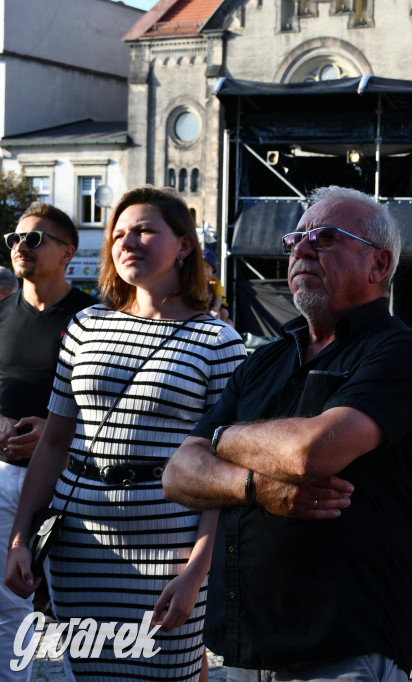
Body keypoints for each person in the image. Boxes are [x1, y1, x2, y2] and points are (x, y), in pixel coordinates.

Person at [162, 186, 412, 681]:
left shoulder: (399, 353)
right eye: (296, 239)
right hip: (249, 646)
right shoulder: (266, 359)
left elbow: (311, 451)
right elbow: (179, 474)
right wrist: (253, 488)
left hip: (344, 644)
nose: (302, 249)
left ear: (378, 265)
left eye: (325, 237)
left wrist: (221, 436)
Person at [4, 187, 246, 680]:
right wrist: (19, 540)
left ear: (183, 245)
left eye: (144, 230)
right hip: (80, 545)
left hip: (169, 547)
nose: (126, 241)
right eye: (118, 233)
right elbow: (55, 443)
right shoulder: (86, 325)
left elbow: (223, 472)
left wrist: (196, 573)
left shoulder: (219, 342)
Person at [0, 203, 95, 681]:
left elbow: (119, 412)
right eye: (15, 239)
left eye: (34, 239)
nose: (21, 247)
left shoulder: (94, 320)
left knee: (80, 611)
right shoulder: (1, 314)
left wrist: (58, 433)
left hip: (74, 479)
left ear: (67, 253)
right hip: (6, 480)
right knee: (6, 609)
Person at [202, 248, 225, 315]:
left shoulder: (215, 283)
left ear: (213, 268)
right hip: (200, 309)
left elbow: (219, 297)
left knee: (224, 313)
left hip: (214, 308)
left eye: (206, 266)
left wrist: (215, 308)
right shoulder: (194, 283)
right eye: (201, 267)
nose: (204, 270)